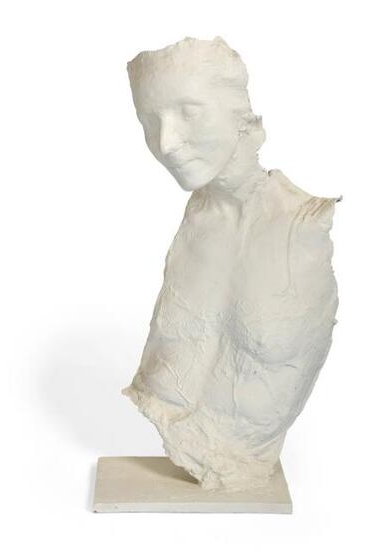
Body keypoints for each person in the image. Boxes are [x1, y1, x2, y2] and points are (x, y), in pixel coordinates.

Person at [123, 37, 339, 491]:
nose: (165, 142)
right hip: (173, 427)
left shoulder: (303, 226)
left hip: (242, 460)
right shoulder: (198, 218)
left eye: (188, 111)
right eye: (148, 121)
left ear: (243, 115)